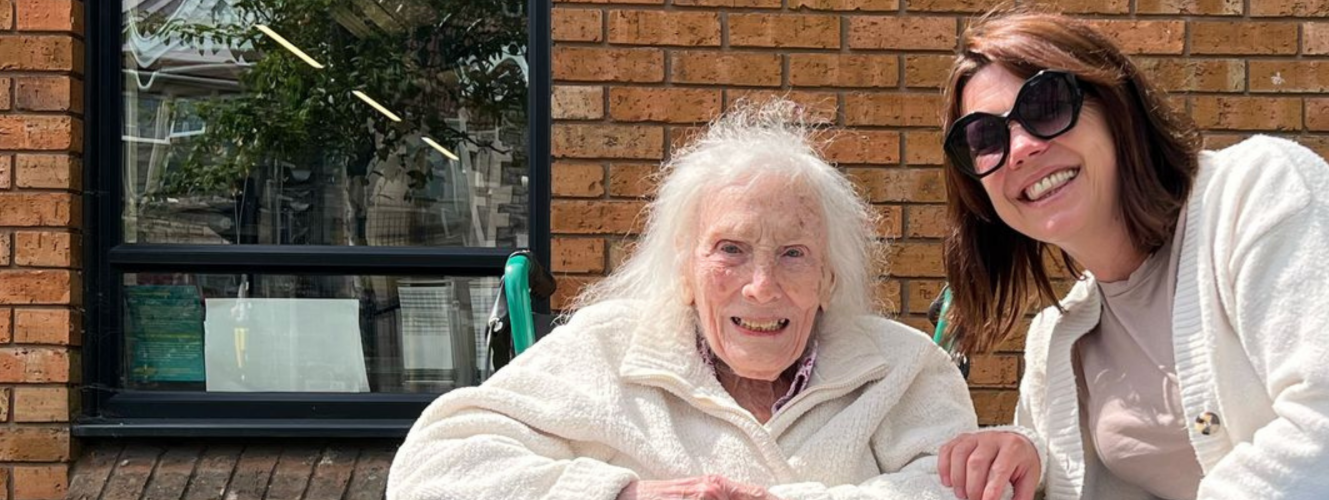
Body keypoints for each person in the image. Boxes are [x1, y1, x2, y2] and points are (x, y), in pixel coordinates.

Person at [931, 11, 1329, 500]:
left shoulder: (1262, 192)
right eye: (983, 137)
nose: (1020, 147)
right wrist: (1026, 454)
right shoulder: (1058, 339)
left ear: (1117, 108)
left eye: (1045, 105)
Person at [388, 101, 978, 500]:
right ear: (685, 272)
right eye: (730, 249)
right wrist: (622, 494)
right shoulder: (607, 348)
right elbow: (431, 471)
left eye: (794, 253)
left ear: (829, 278)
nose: (761, 285)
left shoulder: (902, 369)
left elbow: (958, 488)